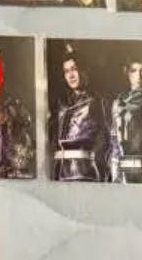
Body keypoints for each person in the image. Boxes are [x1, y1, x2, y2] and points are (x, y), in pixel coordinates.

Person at [49, 47, 109, 182]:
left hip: (85, 173)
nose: (71, 75)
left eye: (74, 69)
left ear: (84, 70)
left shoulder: (97, 102)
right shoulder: (61, 104)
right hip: (59, 172)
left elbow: (108, 142)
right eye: (66, 71)